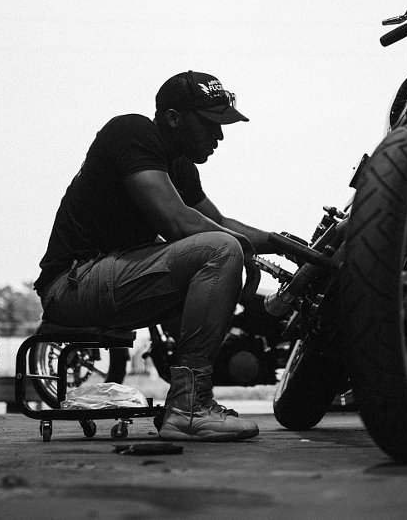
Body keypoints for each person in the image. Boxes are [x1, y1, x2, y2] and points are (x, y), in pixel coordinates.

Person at [34, 70, 275, 442]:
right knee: (220, 249)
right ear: (174, 117)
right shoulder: (132, 132)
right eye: (210, 124)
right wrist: (242, 247)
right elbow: (179, 223)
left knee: (219, 245)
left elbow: (219, 220)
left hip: (115, 278)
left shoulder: (179, 167)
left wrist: (283, 242)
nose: (220, 136)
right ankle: (189, 408)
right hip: (71, 284)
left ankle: (191, 401)